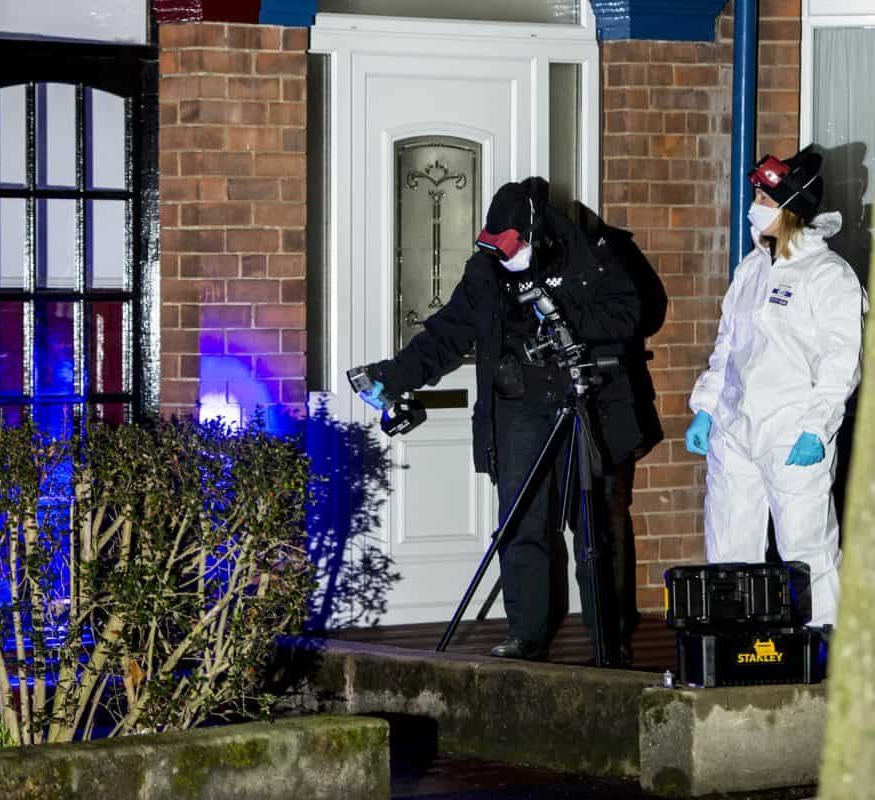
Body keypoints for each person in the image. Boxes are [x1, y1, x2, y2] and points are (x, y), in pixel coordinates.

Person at [361, 177, 644, 662]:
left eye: (512, 248)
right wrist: (394, 376)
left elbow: (631, 312)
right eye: (496, 248)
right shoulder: (486, 271)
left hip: (586, 402)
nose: (505, 257)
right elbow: (447, 334)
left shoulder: (588, 254)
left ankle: (609, 641)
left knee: (597, 528)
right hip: (518, 408)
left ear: (537, 234)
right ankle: (527, 635)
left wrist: (561, 319)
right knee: (520, 524)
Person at [685, 148, 866, 628]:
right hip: (736, 427)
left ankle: (824, 644)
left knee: (806, 547)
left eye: (765, 196)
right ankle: (734, 642)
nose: (755, 204)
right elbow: (728, 346)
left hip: (792, 432)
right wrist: (706, 407)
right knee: (729, 540)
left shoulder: (827, 276)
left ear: (790, 209)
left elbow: (842, 361)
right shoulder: (751, 269)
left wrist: (817, 427)